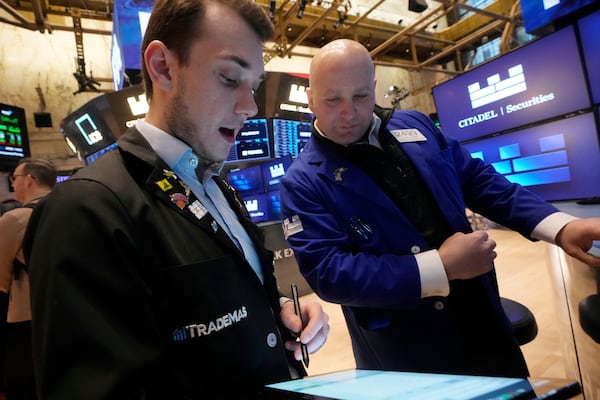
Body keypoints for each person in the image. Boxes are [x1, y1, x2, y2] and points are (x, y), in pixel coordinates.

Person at [24, 1, 330, 399]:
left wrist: (274, 320)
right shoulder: (84, 211)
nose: (250, 107)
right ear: (162, 67)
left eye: (252, 85)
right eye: (228, 77)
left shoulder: (218, 189)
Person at [279, 38, 600, 379]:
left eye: (360, 96)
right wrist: (440, 267)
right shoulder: (301, 183)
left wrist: (559, 225)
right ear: (311, 99)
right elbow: (330, 273)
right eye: (332, 99)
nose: (349, 112)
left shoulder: (414, 125)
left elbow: (477, 180)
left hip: (484, 321)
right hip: (407, 353)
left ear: (374, 87)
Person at [0, 158, 57, 400]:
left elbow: (0, 278)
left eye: (15, 178)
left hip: (28, 320)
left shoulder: (15, 219)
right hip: (73, 314)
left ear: (30, 179)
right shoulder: (74, 208)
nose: (13, 184)